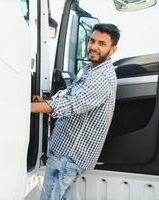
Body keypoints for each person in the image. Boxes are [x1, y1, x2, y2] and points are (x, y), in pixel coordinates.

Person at [31, 23, 120, 200]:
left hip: (68, 155)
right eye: (92, 40)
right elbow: (68, 94)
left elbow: (73, 103)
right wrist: (44, 102)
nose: (93, 46)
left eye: (101, 43)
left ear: (113, 49)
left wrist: (26, 108)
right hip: (64, 152)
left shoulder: (102, 77)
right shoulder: (90, 69)